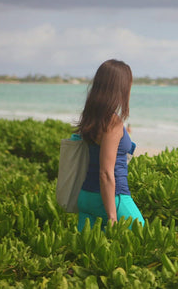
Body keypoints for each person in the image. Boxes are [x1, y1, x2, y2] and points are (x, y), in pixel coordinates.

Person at [75, 59, 144, 231]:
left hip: (86, 197)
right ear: (120, 87)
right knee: (141, 234)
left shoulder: (91, 117)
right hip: (113, 197)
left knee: (88, 251)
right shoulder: (112, 122)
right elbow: (106, 172)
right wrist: (112, 215)